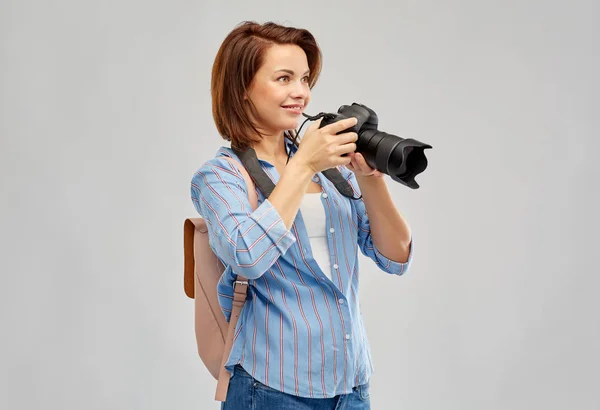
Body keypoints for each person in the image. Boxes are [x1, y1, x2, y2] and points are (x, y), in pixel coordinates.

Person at [190, 20, 414, 410]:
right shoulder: (220, 177)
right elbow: (247, 255)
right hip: (271, 389)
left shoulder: (331, 171)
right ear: (243, 88)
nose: (301, 93)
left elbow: (396, 257)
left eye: (306, 79)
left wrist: (371, 179)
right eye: (284, 78)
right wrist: (302, 165)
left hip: (351, 388)